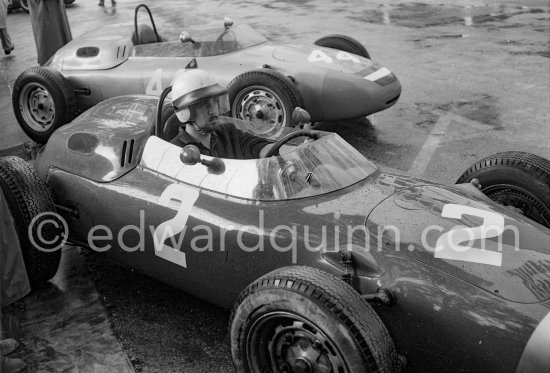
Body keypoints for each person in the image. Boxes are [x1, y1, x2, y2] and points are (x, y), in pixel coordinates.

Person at [168, 69, 278, 160]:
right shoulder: (175, 151)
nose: (214, 111)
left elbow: (252, 144)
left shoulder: (227, 133)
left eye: (215, 103)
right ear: (185, 112)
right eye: (205, 105)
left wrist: (272, 150)